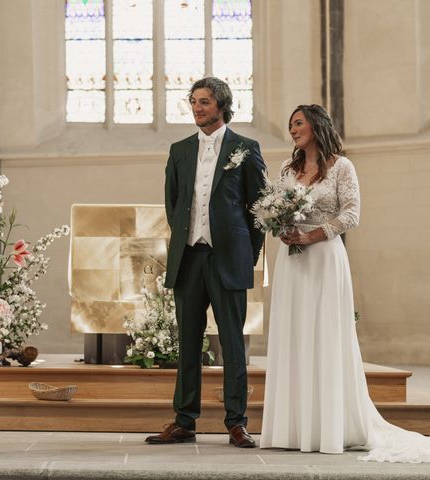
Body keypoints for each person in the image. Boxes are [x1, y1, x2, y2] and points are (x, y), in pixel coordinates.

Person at [260, 104, 430, 462]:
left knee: (325, 335)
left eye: (298, 123)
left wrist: (314, 236)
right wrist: (283, 227)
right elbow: (276, 206)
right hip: (292, 264)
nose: (292, 130)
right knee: (294, 335)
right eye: (290, 125)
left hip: (324, 258)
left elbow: (352, 213)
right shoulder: (287, 168)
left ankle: (331, 427)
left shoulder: (341, 167)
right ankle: (293, 427)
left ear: (316, 125)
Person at [146, 77, 266, 447]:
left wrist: (246, 253)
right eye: (194, 101)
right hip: (189, 258)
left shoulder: (245, 148)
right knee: (187, 343)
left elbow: (258, 210)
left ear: (221, 105)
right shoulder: (179, 150)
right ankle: (184, 421)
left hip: (228, 258)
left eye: (205, 102)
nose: (197, 107)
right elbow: (173, 204)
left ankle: (236, 422)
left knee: (232, 344)